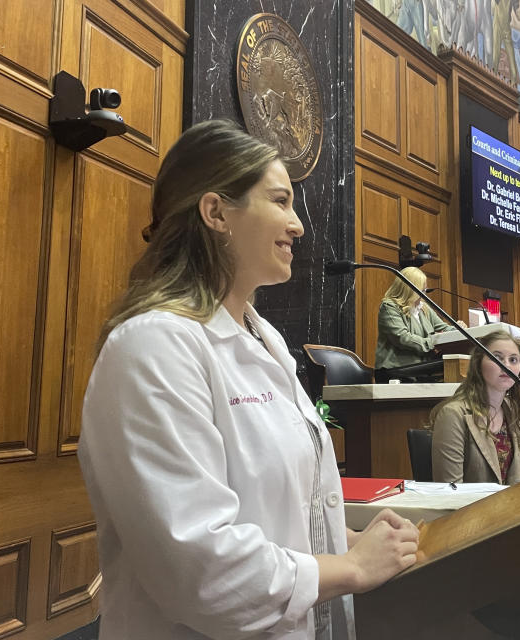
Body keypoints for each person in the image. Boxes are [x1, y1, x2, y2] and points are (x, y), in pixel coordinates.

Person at [78, 120, 419, 640]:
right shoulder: (153, 346)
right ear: (216, 212)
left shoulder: (267, 339)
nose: (298, 224)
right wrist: (352, 569)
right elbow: (199, 568)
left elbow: (275, 509)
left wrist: (346, 540)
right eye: (280, 201)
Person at [430, 329, 520, 485]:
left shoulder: (516, 412)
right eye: (496, 357)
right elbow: (451, 493)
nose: (506, 365)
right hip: (470, 508)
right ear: (478, 364)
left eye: (513, 360)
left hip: (515, 507)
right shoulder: (452, 415)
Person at [375, 266, 451, 375]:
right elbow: (403, 338)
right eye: (423, 290)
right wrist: (433, 343)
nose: (425, 294)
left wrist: (460, 331)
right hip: (397, 371)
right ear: (410, 289)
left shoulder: (424, 308)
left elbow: (444, 328)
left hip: (421, 370)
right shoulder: (389, 307)